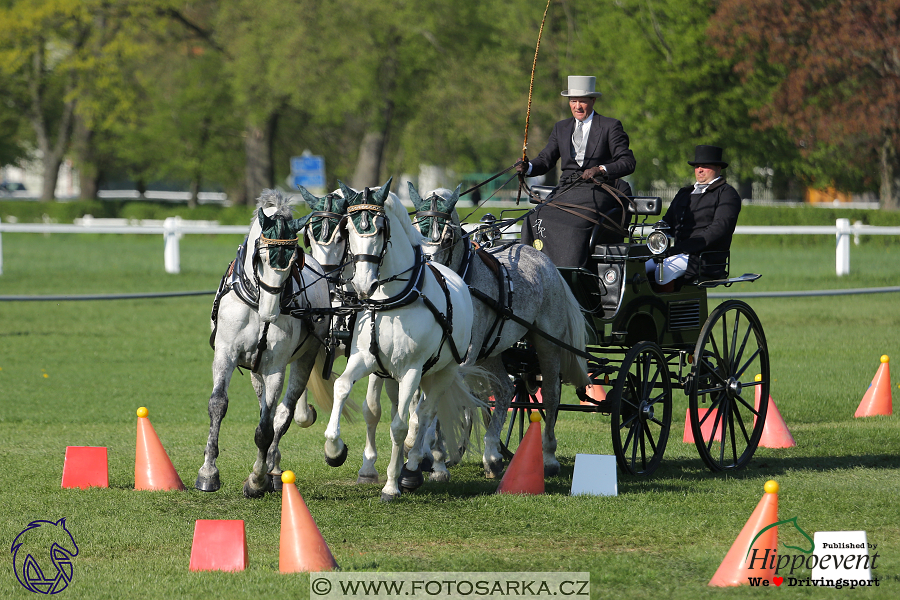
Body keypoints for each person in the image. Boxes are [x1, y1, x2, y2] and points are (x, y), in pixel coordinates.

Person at [516, 75, 636, 268]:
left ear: (593, 101)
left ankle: (570, 276)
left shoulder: (610, 126)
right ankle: (532, 270)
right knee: (533, 217)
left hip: (598, 190)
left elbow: (628, 162)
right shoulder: (561, 127)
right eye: (573, 101)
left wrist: (600, 169)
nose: (577, 106)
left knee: (573, 225)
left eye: (582, 101)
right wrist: (527, 167)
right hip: (567, 190)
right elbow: (546, 159)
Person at [645, 144, 741, 287]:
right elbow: (668, 222)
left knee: (663, 270)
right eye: (697, 166)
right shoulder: (684, 193)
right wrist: (659, 236)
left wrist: (684, 247)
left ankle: (662, 307)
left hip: (705, 258)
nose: (699, 170)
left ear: (718, 168)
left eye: (705, 166)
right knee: (639, 266)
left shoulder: (727, 194)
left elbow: (719, 228)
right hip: (676, 253)